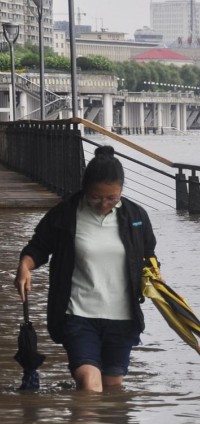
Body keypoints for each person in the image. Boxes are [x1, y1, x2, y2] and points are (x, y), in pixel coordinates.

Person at [15, 146, 157, 392]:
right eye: (95, 197)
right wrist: (24, 267)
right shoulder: (66, 214)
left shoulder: (136, 217)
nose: (103, 204)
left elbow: (149, 256)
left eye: (111, 198)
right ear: (85, 189)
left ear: (121, 190)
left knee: (113, 390)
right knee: (90, 385)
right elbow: (38, 247)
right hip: (78, 315)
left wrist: (156, 278)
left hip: (123, 318)